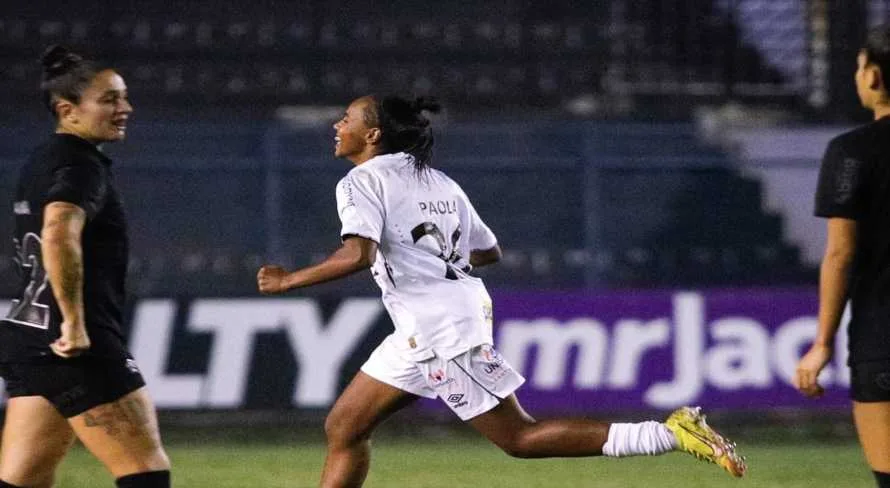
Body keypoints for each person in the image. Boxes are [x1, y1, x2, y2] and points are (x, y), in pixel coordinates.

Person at [257, 94, 746, 487]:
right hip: (433, 323)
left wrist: (287, 280)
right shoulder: (439, 181)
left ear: (373, 135)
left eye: (347, 118)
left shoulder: (360, 182)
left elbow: (357, 255)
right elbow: (488, 251)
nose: (337, 125)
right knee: (345, 426)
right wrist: (436, 263)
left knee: (519, 438)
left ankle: (668, 433)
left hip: (437, 329)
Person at [0, 46, 171, 488]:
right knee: (145, 473)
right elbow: (58, 229)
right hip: (74, 346)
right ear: (67, 110)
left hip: (29, 339)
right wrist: (75, 324)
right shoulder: (81, 165)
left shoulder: (42, 160)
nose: (125, 108)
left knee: (22, 481)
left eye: (124, 97)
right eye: (110, 99)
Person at [795, 26, 890, 488]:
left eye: (858, 66)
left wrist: (822, 343)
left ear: (873, 75)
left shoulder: (853, 151)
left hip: (882, 337)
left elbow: (840, 254)